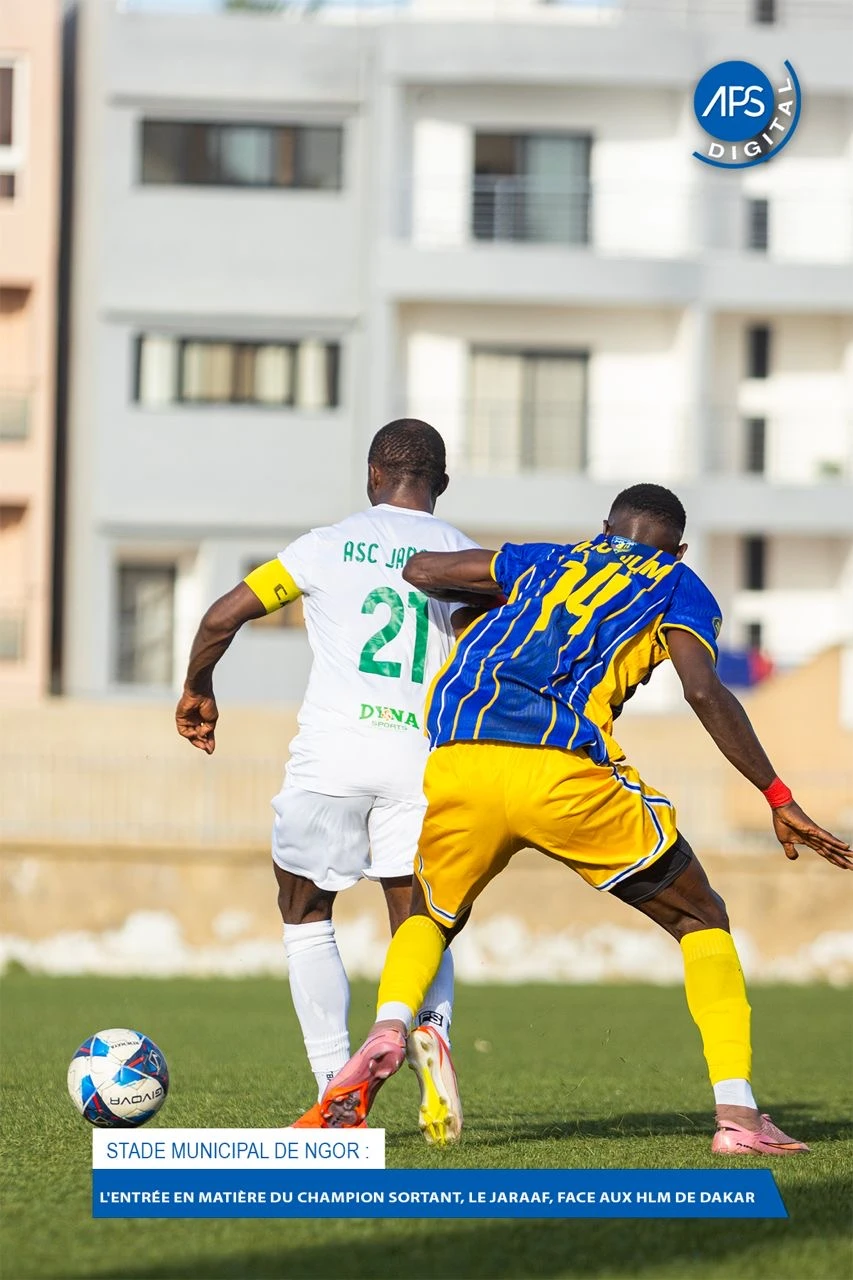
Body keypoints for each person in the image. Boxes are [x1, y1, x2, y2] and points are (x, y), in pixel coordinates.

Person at [313, 482, 852, 1154]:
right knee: (700, 916)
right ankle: (739, 1119)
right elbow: (701, 688)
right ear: (680, 549)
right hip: (560, 769)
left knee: (430, 914)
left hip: (458, 757)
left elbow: (422, 570)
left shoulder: (548, 559)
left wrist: (508, 591)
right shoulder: (677, 583)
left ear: (604, 527)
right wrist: (777, 795)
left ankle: (390, 1024)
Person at [176, 419, 488, 1144]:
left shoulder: (322, 546)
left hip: (334, 758)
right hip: (424, 761)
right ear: (440, 484)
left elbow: (223, 616)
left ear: (372, 475)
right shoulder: (468, 557)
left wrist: (198, 687)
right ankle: (431, 1034)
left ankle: (331, 1086)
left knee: (304, 911)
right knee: (420, 922)